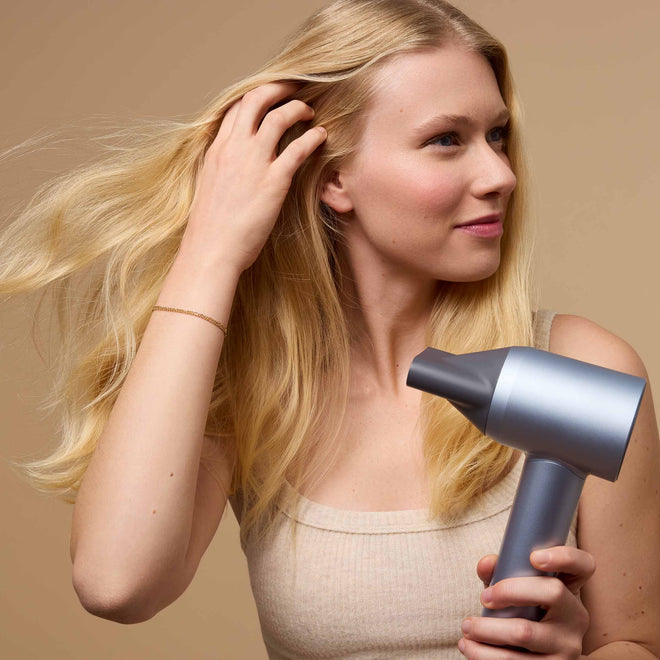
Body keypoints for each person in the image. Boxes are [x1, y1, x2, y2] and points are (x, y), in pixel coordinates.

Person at [1, 0, 658, 657]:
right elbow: (117, 584)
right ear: (335, 177)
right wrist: (212, 251)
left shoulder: (585, 368)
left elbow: (635, 639)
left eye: (497, 135)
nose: (500, 175)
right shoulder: (255, 391)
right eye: (447, 140)